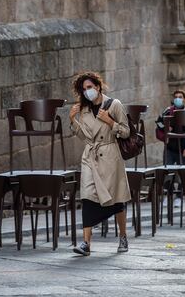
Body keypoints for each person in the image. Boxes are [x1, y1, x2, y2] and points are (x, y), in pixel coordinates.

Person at [69, 71, 131, 256]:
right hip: (90, 156)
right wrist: (73, 120)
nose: (87, 91)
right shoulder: (84, 109)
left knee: (116, 199)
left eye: (89, 87)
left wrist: (110, 122)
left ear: (97, 86)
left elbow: (126, 132)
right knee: (87, 196)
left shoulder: (114, 104)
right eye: (84, 89)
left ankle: (123, 236)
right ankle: (86, 243)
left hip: (110, 155)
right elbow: (84, 136)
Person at [155, 90, 185, 207]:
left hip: (182, 149)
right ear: (173, 99)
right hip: (170, 148)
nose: (178, 99)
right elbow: (159, 122)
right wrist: (167, 128)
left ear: (184, 99)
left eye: (180, 97)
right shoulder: (168, 111)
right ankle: (168, 195)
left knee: (182, 173)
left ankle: (179, 197)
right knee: (167, 172)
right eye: (176, 97)